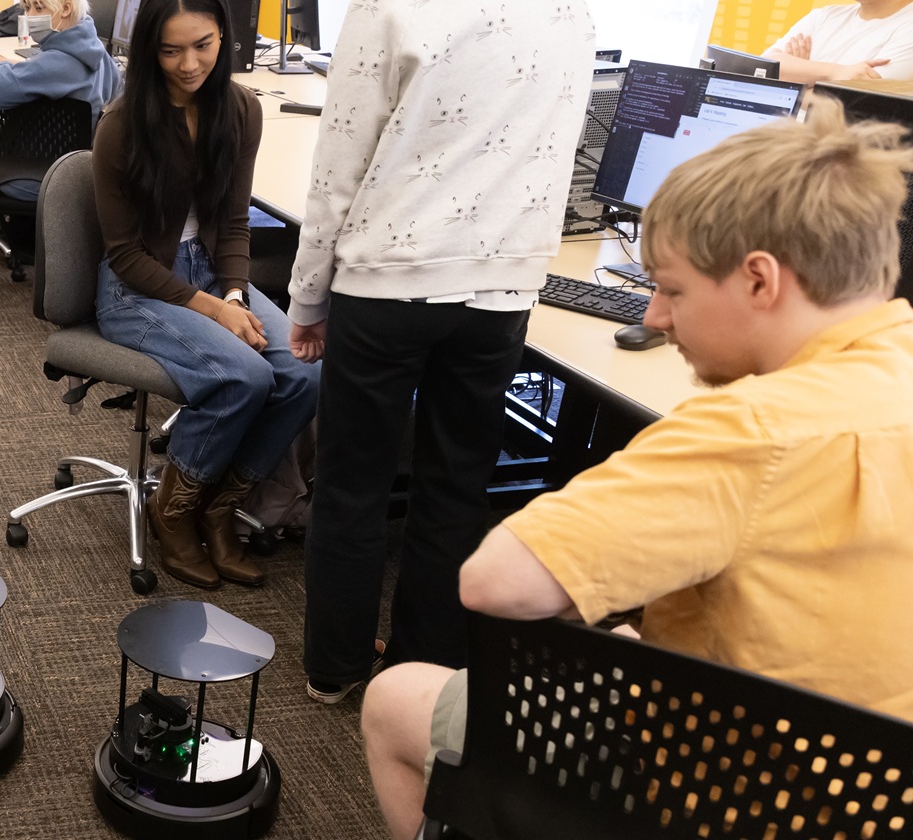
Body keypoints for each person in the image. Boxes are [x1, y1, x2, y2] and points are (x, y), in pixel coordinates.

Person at [360, 93, 913, 840]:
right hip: (876, 806)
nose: (653, 316)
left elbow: (494, 584)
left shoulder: (749, 432)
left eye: (673, 288)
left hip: (720, 805)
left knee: (397, 700)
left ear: (760, 280)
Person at [289, 2, 593, 699]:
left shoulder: (386, 7)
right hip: (503, 286)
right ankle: (422, 669)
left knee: (352, 487)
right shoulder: (570, 13)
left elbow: (339, 164)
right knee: (457, 489)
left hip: (390, 279)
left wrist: (308, 299)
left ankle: (334, 671)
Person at [92, 0, 319, 591]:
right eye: (171, 50)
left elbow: (234, 221)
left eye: (204, 44)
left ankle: (219, 508)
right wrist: (215, 308)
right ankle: (173, 511)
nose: (189, 63)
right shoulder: (122, 124)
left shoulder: (240, 109)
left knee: (303, 372)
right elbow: (126, 256)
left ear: (226, 37)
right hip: (137, 287)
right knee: (243, 376)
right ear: (149, 50)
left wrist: (236, 294)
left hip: (213, 275)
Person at [0, 0, 120, 290]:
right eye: (27, 8)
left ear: (65, 8)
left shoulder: (50, 64)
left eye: (37, 8)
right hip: (76, 171)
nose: (28, 17)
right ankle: (24, 246)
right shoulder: (101, 57)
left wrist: (15, 70)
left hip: (31, 178)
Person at [764, 0, 913, 84]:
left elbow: (860, 104)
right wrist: (835, 72)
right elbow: (763, 66)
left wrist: (798, 80)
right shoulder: (824, 15)